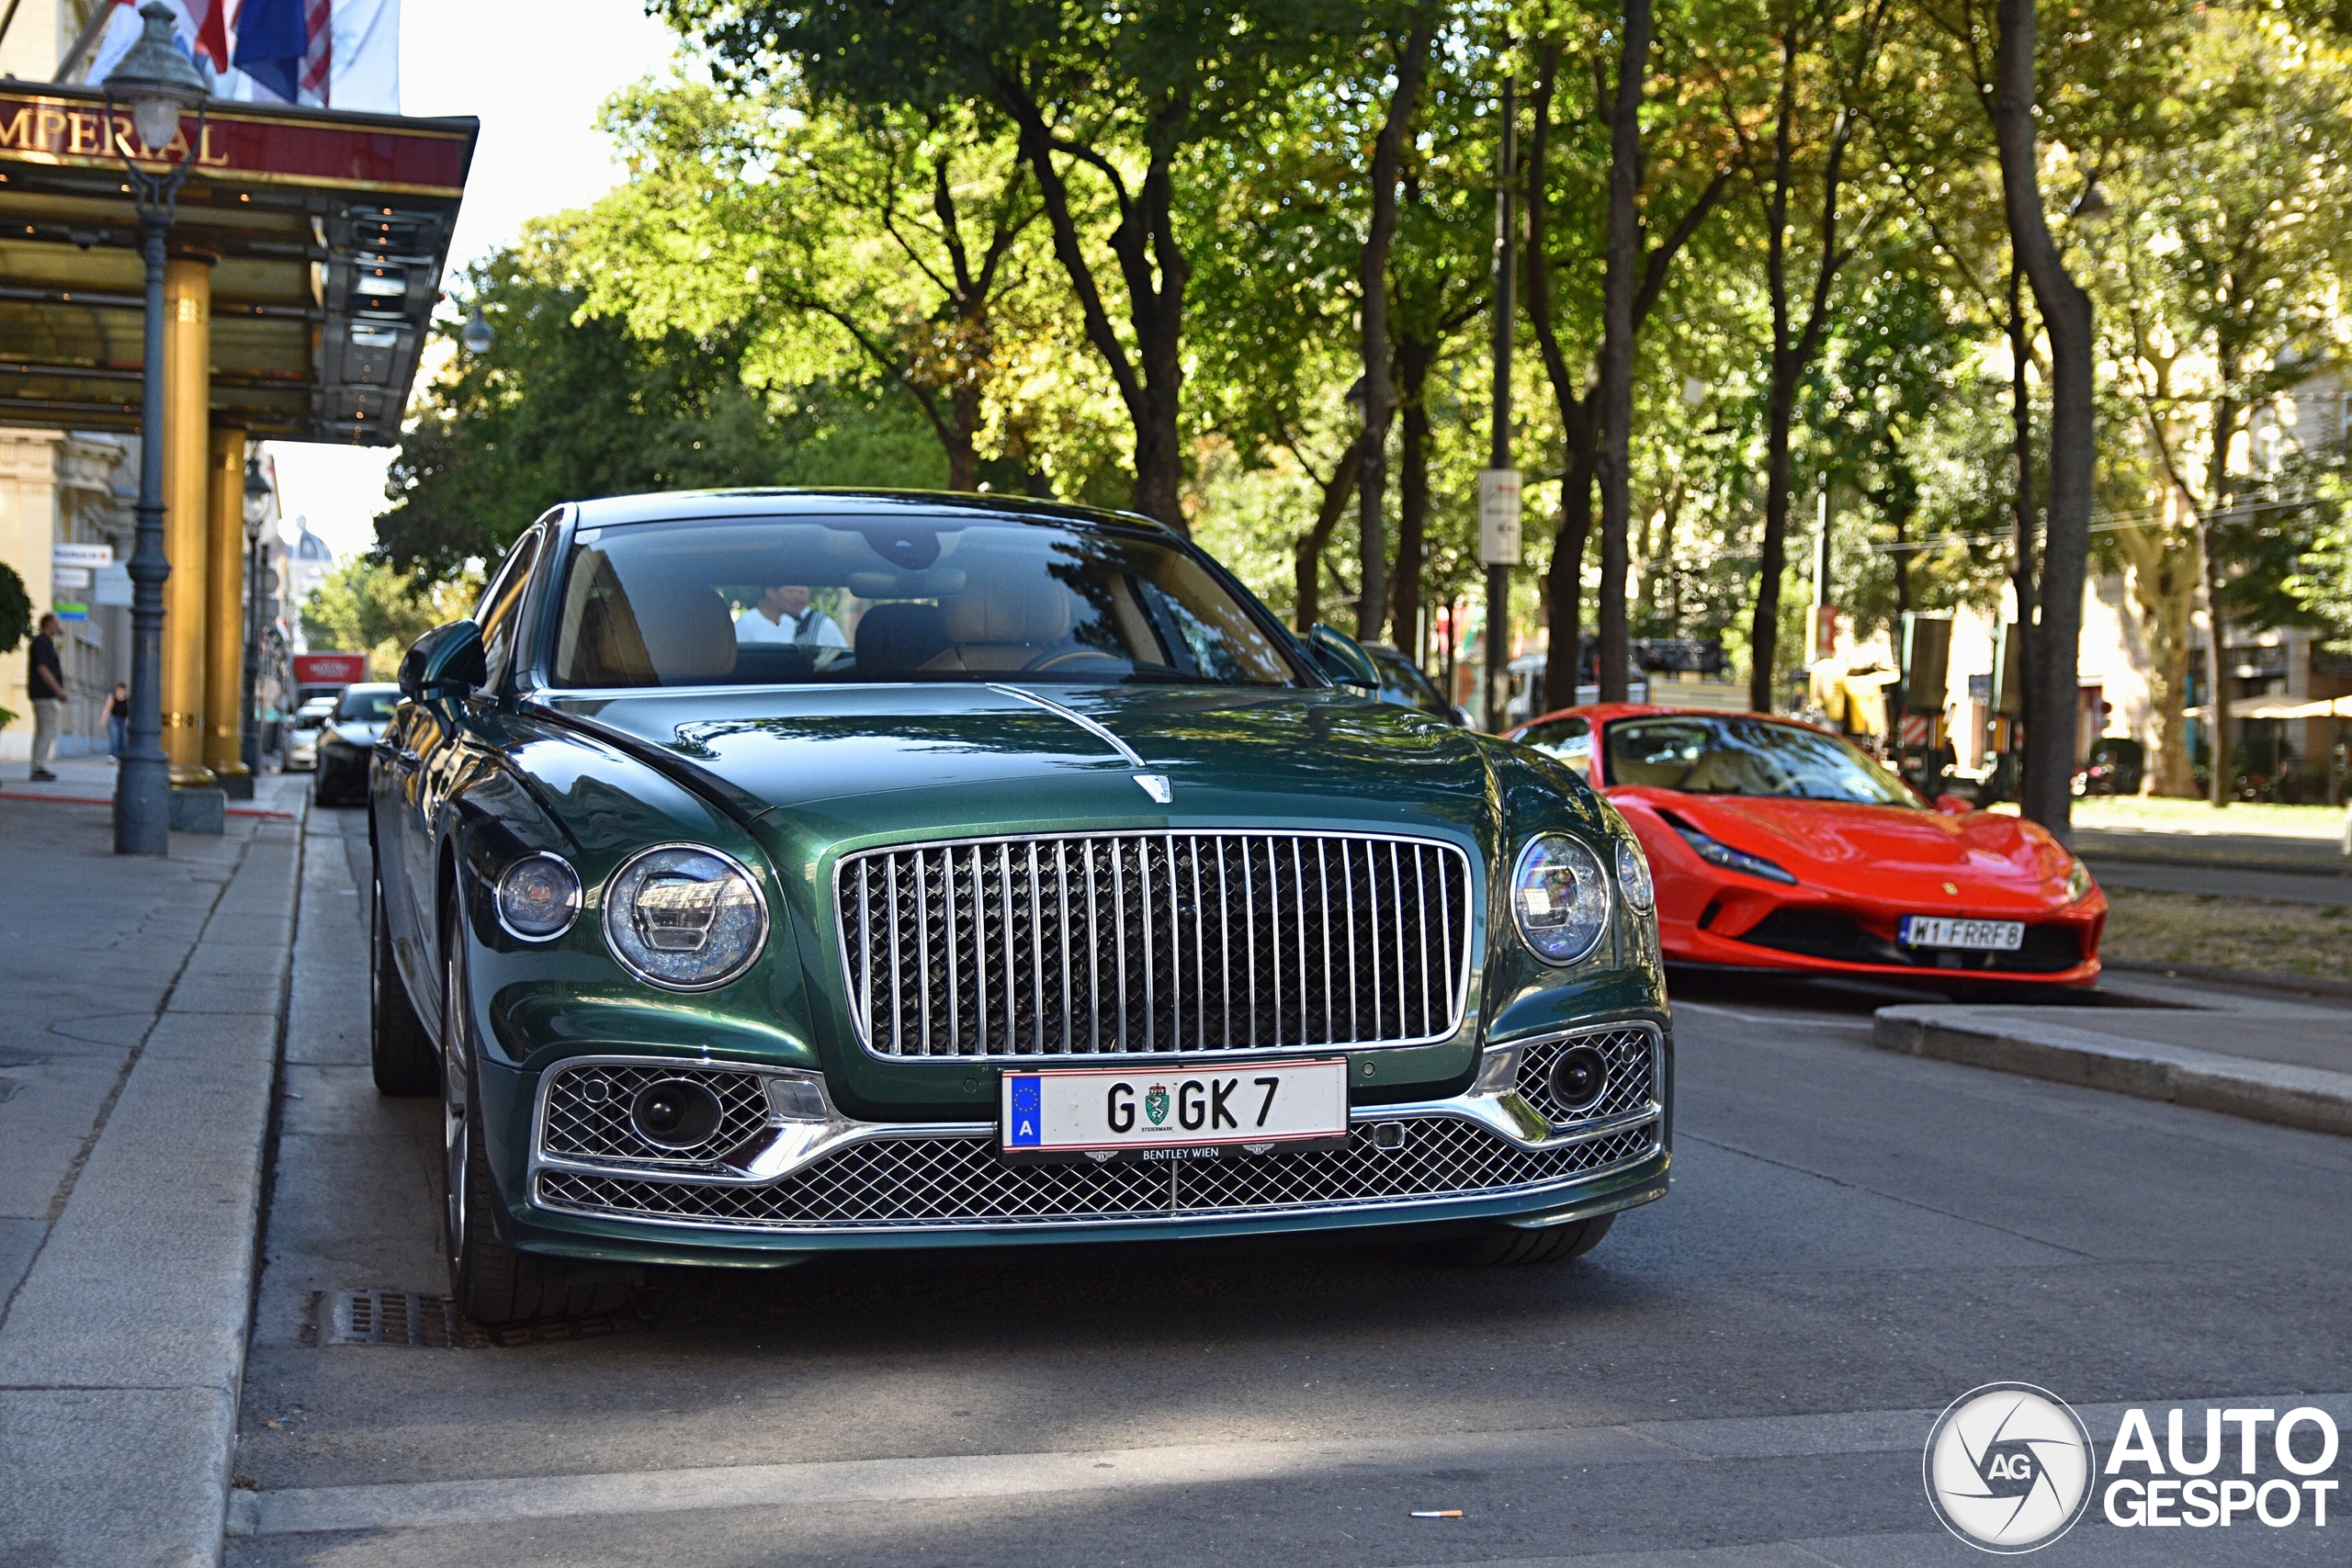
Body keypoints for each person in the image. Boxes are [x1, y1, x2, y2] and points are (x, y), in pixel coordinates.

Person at [735, 584, 847, 648]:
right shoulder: (744, 625)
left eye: (802, 593)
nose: (798, 598)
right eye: (791, 591)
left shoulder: (793, 623)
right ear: (770, 592)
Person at [27, 612, 64, 783]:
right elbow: (43, 669)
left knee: (44, 730)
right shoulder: (42, 643)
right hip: (44, 694)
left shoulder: (44, 643)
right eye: (56, 623)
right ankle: (38, 767)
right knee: (47, 730)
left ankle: (37, 765)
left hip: (43, 694)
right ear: (49, 624)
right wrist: (58, 690)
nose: (58, 626)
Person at [103, 682, 130, 759]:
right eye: (119, 690)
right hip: (113, 719)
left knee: (123, 738)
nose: (120, 691)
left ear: (124, 691)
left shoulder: (127, 699)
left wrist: (128, 719)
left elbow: (129, 710)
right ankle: (113, 755)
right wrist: (103, 720)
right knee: (115, 737)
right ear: (116, 690)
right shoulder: (112, 698)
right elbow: (107, 709)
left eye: (122, 690)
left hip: (123, 720)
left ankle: (121, 755)